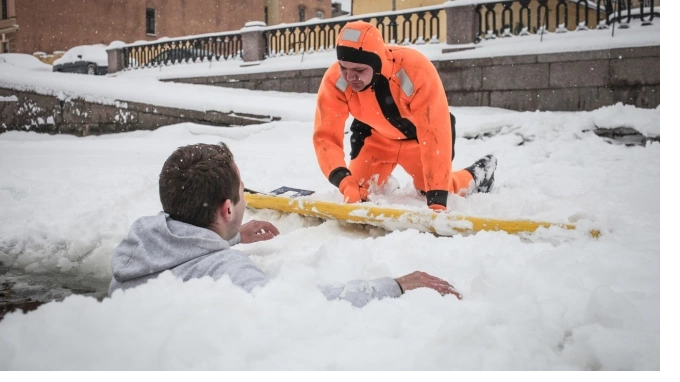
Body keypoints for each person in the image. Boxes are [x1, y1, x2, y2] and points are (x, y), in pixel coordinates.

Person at [108, 142, 462, 307]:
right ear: (227, 209)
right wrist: (396, 285)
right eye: (243, 192)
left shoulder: (140, 245)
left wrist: (228, 238)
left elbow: (188, 259)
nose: (246, 197)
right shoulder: (227, 272)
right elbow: (303, 307)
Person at [313, 21, 497, 211]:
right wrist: (345, 182)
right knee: (359, 189)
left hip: (419, 141)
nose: (350, 77)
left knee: (437, 189)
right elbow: (325, 137)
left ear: (376, 63)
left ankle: (480, 173)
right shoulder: (335, 80)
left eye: (359, 70)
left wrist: (437, 200)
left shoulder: (415, 70)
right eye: (344, 67)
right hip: (375, 140)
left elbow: (434, 131)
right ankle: (383, 181)